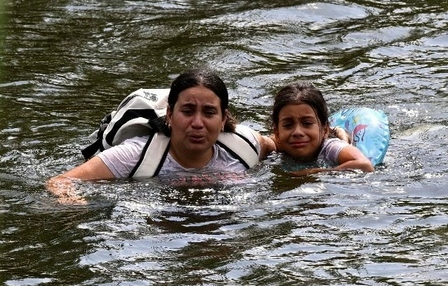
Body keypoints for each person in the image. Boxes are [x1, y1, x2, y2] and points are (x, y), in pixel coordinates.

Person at [47, 69, 277, 204]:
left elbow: (281, 143)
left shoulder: (245, 145)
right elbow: (60, 181)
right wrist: (75, 202)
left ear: (223, 119)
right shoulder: (135, 155)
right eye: (187, 111)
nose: (197, 123)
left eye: (209, 113)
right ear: (169, 114)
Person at [270, 81, 374, 175]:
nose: (297, 132)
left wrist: (313, 172)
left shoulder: (331, 148)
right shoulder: (280, 143)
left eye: (307, 123)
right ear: (277, 133)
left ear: (324, 129)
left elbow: (365, 165)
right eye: (288, 125)